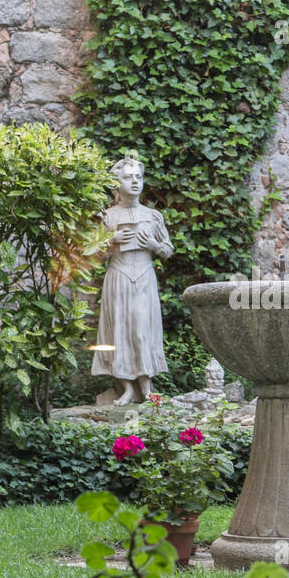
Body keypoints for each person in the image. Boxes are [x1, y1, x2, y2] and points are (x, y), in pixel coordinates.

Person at [90, 157, 173, 405]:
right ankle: (126, 388)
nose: (135, 181)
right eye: (128, 177)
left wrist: (154, 245)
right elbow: (95, 255)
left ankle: (147, 388)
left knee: (143, 331)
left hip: (145, 277)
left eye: (138, 177)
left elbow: (168, 250)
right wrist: (111, 240)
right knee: (120, 330)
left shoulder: (152, 216)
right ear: (117, 183)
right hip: (119, 275)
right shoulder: (108, 216)